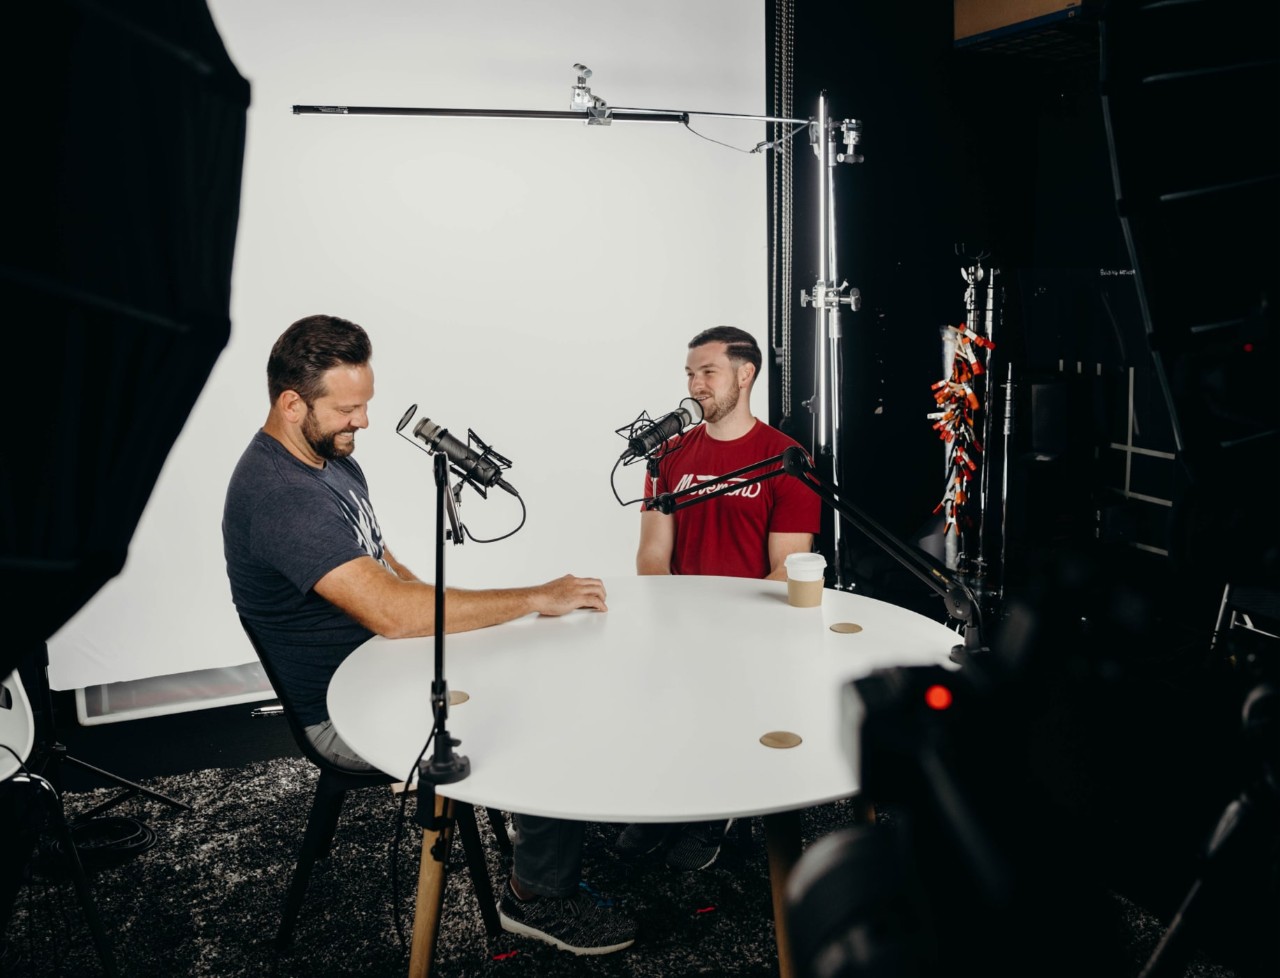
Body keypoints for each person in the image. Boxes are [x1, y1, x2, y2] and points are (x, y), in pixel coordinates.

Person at [223, 314, 634, 955]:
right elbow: (390, 610)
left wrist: (489, 623)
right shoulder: (280, 494)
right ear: (290, 402)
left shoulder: (328, 457)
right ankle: (538, 896)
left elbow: (389, 570)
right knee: (547, 712)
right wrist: (531, 598)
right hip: (347, 713)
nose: (362, 422)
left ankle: (558, 838)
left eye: (366, 405)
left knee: (546, 657)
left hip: (388, 667)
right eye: (348, 409)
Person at [621, 325, 821, 870]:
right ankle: (664, 807)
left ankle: (714, 813)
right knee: (658, 705)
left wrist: (728, 625)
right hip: (678, 621)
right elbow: (651, 554)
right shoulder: (668, 453)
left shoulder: (785, 458)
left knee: (722, 708)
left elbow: (787, 565)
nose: (695, 385)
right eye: (690, 373)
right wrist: (668, 616)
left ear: (745, 373)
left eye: (706, 372)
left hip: (749, 630)